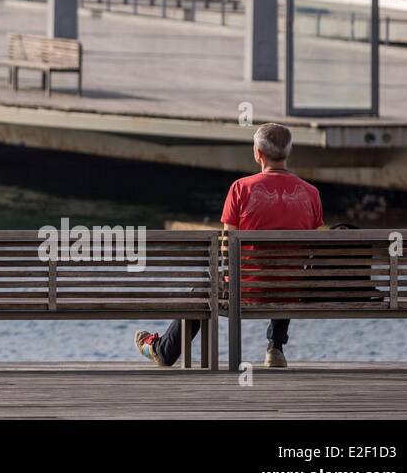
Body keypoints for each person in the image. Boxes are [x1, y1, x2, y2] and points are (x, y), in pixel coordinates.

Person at [134, 122, 323, 369]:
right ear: (289, 152)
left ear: (258, 154)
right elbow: (312, 250)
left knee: (205, 287)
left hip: (245, 290)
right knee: (287, 266)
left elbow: (227, 249)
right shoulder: (311, 193)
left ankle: (163, 351)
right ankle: (275, 347)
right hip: (292, 291)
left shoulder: (240, 189)